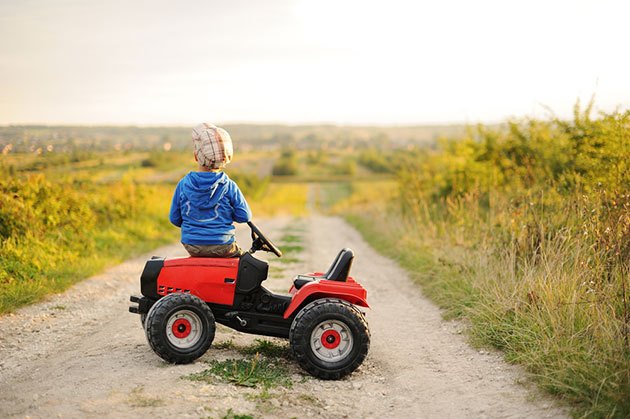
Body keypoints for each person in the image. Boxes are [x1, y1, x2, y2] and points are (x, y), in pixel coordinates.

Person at [169, 123, 251, 258]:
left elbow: (175, 219)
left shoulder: (183, 184)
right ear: (226, 158)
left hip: (191, 245)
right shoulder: (229, 186)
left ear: (196, 156)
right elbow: (245, 216)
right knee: (243, 262)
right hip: (224, 245)